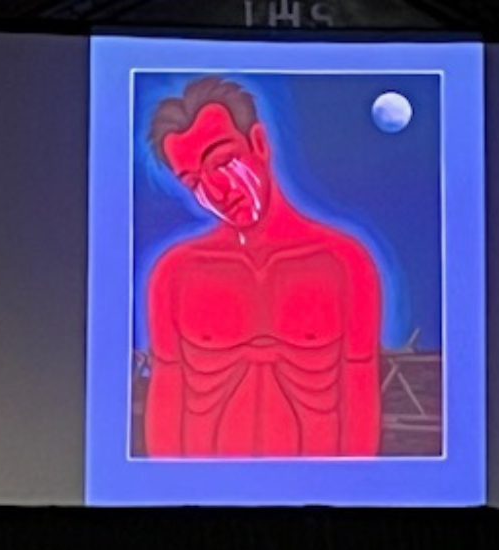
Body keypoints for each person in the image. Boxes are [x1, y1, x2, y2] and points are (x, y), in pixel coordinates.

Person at [144, 76, 382, 457]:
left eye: (223, 162)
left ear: (259, 143)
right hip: (205, 508)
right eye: (194, 182)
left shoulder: (344, 263)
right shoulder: (174, 274)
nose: (215, 192)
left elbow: (359, 402)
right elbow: (166, 411)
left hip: (318, 506)